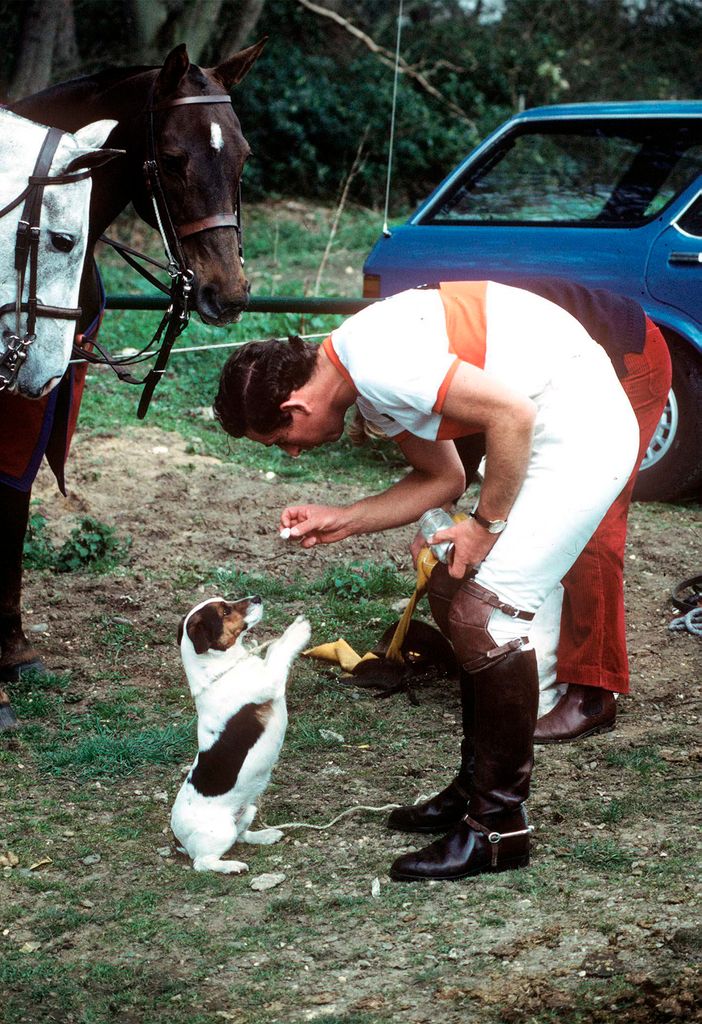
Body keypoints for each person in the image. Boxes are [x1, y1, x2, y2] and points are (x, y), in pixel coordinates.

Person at [213, 280, 671, 882]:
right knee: (456, 590)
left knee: (489, 616)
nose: (291, 454)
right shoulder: (363, 383)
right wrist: (343, 519)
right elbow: (442, 481)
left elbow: (513, 414)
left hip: (580, 427)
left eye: (280, 441)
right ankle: (475, 787)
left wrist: (485, 525)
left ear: (295, 409)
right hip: (546, 430)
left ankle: (498, 829)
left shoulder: (376, 363)